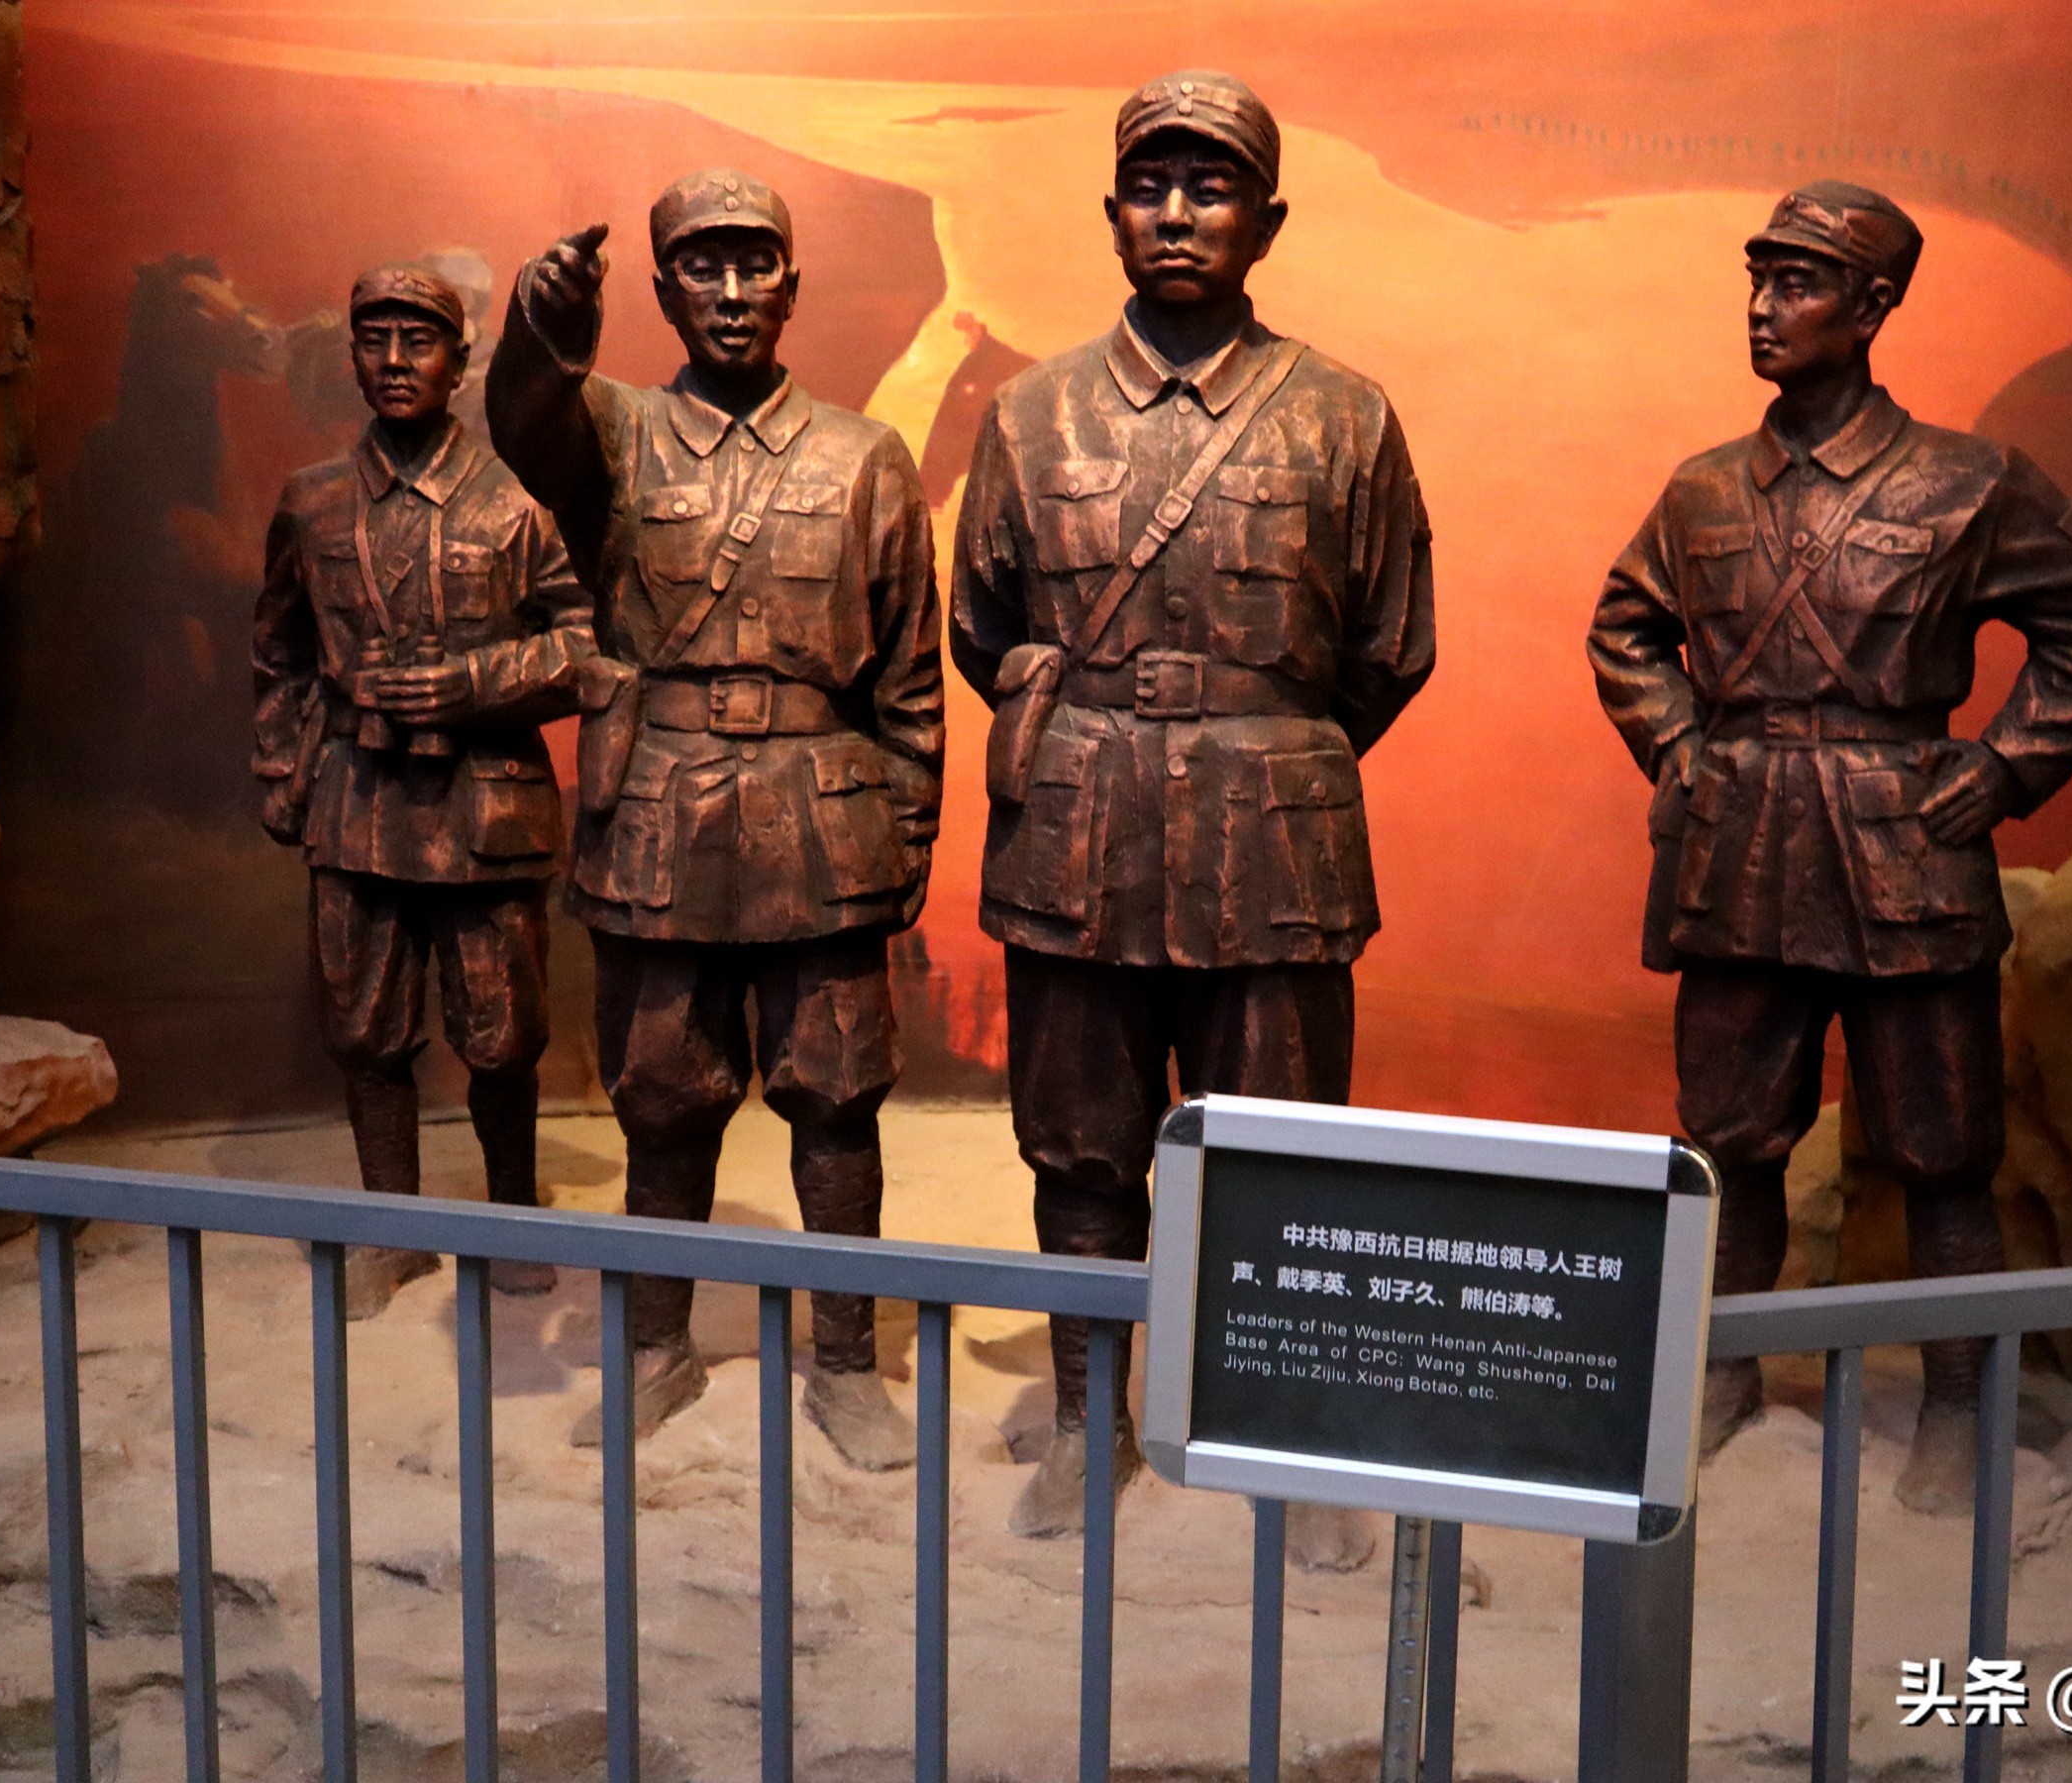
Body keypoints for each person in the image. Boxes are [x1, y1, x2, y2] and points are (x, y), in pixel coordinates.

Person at [1587, 182, 2072, 1511]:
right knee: (1732, 1137)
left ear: (1874, 305)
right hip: (1741, 845)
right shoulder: (1703, 488)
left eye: (1797, 285)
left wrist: (2003, 766)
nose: (1763, 310)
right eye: (1758, 281)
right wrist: (1679, 746)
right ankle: (1723, 1375)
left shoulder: (1971, 482)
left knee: (1944, 1150)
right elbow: (1625, 628)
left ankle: (1956, 1408)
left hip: (1904, 848)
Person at [951, 72, 1436, 1553]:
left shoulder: (1345, 419)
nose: (1176, 214)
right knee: (1080, 1148)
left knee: (1279, 1155)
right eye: (1151, 188)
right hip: (1078, 840)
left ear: (1266, 222)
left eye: (1211, 188)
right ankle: (1090, 1419)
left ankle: (1272, 1434)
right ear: (1111, 214)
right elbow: (981, 621)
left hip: (1274, 854)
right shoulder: (1029, 414)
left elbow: (1390, 647)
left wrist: (1258, 751)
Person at [488, 171, 944, 1471]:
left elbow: (910, 676)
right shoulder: (615, 432)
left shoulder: (866, 456)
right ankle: (655, 1347)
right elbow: (523, 422)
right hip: (663, 817)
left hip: (822, 819)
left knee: (837, 1098)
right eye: (702, 267)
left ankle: (846, 1364)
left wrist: (905, 837)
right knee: (661, 1098)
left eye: (755, 266)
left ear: (794, 286)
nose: (733, 293)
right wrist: (541, 329)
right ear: (661, 289)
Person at [252, 264, 592, 1316]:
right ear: (352, 356)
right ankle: (392, 1231)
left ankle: (509, 1223)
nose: (395, 362)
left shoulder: (513, 504)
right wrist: (285, 771)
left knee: (502, 1035)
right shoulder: (312, 501)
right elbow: (279, 651)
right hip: (356, 805)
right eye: (376, 340)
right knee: (364, 1032)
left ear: (460, 361)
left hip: (486, 809)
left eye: (420, 341)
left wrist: (473, 684)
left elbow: (585, 647)